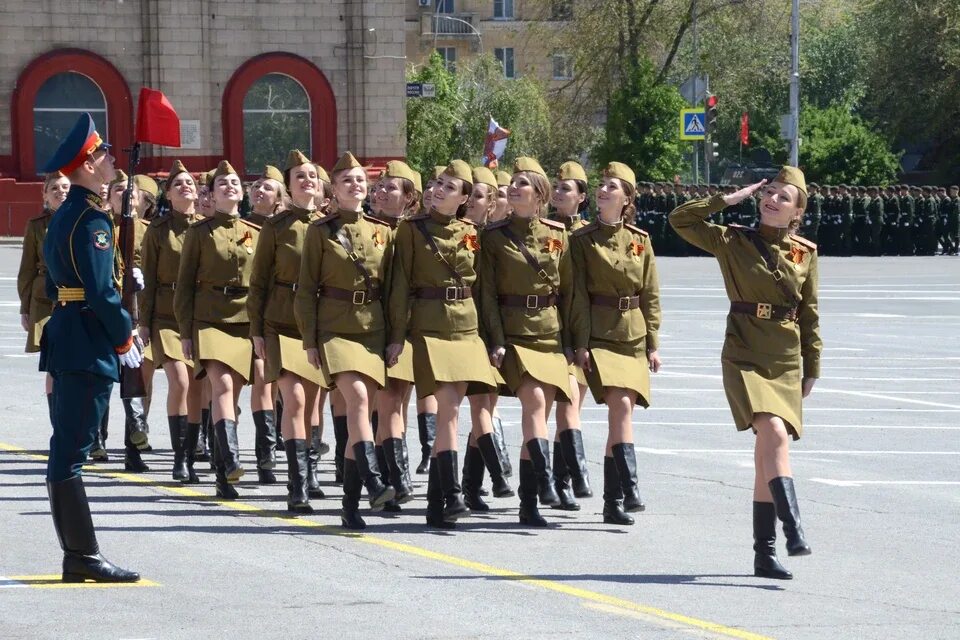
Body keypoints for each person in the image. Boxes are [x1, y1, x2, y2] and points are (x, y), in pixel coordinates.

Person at [669, 166, 820, 581]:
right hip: (745, 352)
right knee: (771, 433)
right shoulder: (731, 240)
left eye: (783, 197)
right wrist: (727, 200)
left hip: (786, 357)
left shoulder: (805, 253)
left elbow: (809, 314)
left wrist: (813, 365)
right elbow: (680, 220)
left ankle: (764, 553)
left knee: (768, 454)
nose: (772, 199)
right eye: (768, 192)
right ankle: (793, 527)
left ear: (797, 212)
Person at [40, 112, 143, 582]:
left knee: (66, 445)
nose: (108, 161)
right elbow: (100, 293)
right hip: (87, 342)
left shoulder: (66, 214)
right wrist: (123, 335)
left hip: (68, 333)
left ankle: (78, 554)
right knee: (72, 451)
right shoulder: (91, 219)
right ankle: (81, 555)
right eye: (101, 155)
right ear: (85, 167)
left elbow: (64, 285)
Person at [386, 160, 499, 529]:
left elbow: (483, 292)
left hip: (466, 328)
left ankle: (437, 506)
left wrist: (493, 338)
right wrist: (396, 337)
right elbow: (399, 285)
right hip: (428, 326)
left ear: (465, 197)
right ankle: (451, 493)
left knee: (452, 408)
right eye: (437, 183)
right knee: (448, 407)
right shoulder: (411, 230)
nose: (438, 189)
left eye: (449, 187)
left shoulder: (471, 232)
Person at [296, 151, 396, 529]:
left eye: (359, 180)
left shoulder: (383, 231)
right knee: (355, 399)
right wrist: (309, 339)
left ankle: (350, 504)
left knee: (364, 411)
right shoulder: (320, 232)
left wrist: (395, 336)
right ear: (333, 191)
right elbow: (306, 290)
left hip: (373, 329)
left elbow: (394, 290)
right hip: (335, 328)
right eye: (346, 181)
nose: (355, 185)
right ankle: (372, 479)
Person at [479, 157, 572, 527]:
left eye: (523, 185)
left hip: (549, 334)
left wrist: (571, 342)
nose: (514, 189)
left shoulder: (557, 235)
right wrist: (496, 339)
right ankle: (545, 478)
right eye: (512, 183)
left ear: (540, 195)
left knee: (541, 416)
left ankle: (529, 502)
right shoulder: (493, 236)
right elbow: (486, 294)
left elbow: (570, 294)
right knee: (533, 403)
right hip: (514, 335)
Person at [569, 162, 662, 526]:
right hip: (599, 337)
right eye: (601, 186)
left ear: (627, 199)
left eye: (612, 187)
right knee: (620, 407)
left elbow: (650, 294)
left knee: (620, 416)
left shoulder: (641, 241)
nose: (603, 191)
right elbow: (576, 296)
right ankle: (631, 487)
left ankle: (613, 501)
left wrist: (652, 343)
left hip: (633, 337)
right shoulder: (582, 240)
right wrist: (580, 343)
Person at [175, 160, 260, 500]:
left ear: (243, 192)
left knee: (232, 396)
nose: (230, 186)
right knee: (222, 387)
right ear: (210, 193)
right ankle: (233, 460)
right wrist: (184, 332)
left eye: (235, 182)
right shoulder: (199, 233)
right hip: (208, 320)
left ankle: (223, 473)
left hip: (244, 321)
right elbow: (183, 287)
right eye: (222, 183)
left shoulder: (255, 232)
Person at [249, 150, 329, 512]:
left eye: (311, 175)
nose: (306, 180)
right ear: (289, 186)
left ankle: (310, 472)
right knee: (294, 400)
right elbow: (260, 282)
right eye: (299, 176)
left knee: (312, 404)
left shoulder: (331, 225)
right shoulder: (275, 227)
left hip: (318, 325)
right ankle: (296, 484)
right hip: (281, 323)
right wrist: (257, 331)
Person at [139, 160, 204, 482]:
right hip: (166, 316)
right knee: (179, 381)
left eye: (189, 182)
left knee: (196, 386)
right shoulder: (158, 230)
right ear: (167, 194)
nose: (185, 187)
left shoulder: (206, 227)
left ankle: (190, 454)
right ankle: (179, 456)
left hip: (199, 316)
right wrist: (144, 322)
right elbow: (148, 280)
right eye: (178, 184)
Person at [458, 165, 515, 511]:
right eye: (471, 195)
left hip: (490, 330)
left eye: (480, 196)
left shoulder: (494, 239)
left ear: (492, 202)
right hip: (460, 331)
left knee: (488, 406)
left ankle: (470, 485)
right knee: (481, 405)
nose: (473, 202)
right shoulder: (458, 233)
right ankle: (498, 476)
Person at [371, 160, 423, 509]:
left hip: (409, 326)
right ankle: (395, 479)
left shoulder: (417, 231)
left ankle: (390, 477)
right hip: (374, 325)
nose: (382, 191)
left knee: (398, 403)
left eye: (392, 187)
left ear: (409, 197)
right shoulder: (366, 228)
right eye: (381, 185)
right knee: (388, 402)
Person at [546, 161, 593, 510]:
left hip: (584, 329)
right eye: (556, 188)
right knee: (561, 406)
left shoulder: (589, 234)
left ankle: (561, 481)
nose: (559, 193)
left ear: (581, 197)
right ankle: (566, 479)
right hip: (549, 329)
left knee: (572, 406)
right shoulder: (543, 230)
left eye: (566, 189)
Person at [103, 171, 152, 471]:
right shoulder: (103, 227)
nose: (125, 194)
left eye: (130, 190)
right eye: (118, 190)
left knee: (134, 374)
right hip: (109, 308)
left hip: (140, 310)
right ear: (109, 198)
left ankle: (134, 445)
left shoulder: (151, 231)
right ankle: (97, 438)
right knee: (107, 376)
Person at [19, 172, 69, 411]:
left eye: (66, 187)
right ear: (45, 195)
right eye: (55, 188)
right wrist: (25, 308)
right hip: (44, 301)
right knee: (54, 363)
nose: (61, 191)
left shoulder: (84, 220)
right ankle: (57, 419)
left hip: (76, 297)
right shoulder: (37, 226)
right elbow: (26, 269)